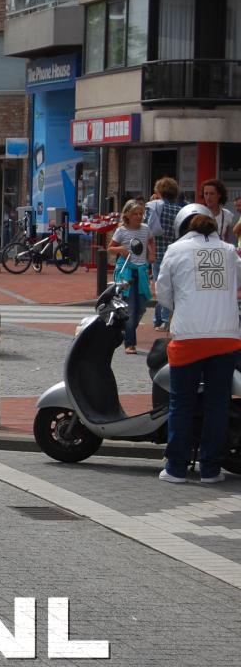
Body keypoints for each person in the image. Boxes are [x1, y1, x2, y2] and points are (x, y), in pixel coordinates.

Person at [155, 203, 241, 484]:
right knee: (218, 404)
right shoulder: (230, 251)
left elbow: (163, 293)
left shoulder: (175, 250)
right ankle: (211, 470)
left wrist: (181, 308)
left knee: (182, 403)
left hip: (189, 336)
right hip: (226, 337)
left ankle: (176, 468)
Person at [107, 200, 155, 354]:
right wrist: (120, 249)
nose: (139, 216)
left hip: (141, 271)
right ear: (127, 215)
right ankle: (130, 343)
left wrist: (152, 253)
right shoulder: (121, 231)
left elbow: (151, 241)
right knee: (131, 308)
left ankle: (125, 329)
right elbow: (110, 248)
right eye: (135, 214)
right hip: (126, 271)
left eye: (141, 214)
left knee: (141, 307)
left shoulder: (145, 229)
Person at [145, 177, 184, 331]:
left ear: (159, 191)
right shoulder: (180, 210)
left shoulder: (154, 206)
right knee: (172, 287)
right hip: (175, 252)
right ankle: (161, 318)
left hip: (158, 251)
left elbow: (145, 228)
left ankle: (163, 319)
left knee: (160, 287)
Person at [200, 179, 235, 245]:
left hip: (220, 249)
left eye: (212, 194)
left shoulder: (227, 214)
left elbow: (227, 239)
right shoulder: (199, 213)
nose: (208, 197)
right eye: (206, 193)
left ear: (219, 195)